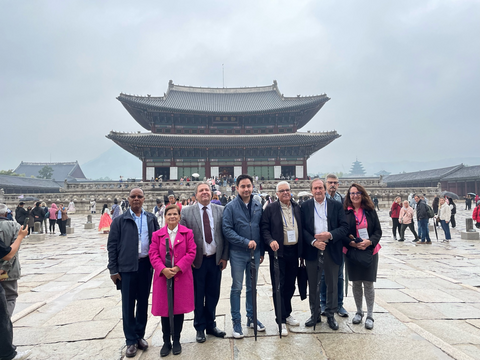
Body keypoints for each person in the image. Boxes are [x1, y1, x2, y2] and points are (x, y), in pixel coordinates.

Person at [107, 188, 160, 358]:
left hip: (146, 265)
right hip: (127, 267)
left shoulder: (151, 218)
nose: (136, 199)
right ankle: (130, 340)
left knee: (143, 302)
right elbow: (112, 246)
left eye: (139, 196)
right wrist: (113, 269)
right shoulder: (120, 221)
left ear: (144, 199)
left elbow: (158, 241)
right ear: (128, 199)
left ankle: (139, 335)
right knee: (128, 304)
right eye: (133, 197)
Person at [180, 182, 228, 343]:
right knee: (198, 296)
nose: (205, 193)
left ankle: (211, 325)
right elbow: (183, 238)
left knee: (213, 294)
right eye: (201, 190)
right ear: (196, 194)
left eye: (207, 190)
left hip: (215, 260)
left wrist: (224, 256)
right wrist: (188, 259)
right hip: (197, 262)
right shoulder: (186, 212)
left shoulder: (221, 210)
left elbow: (225, 235)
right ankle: (199, 327)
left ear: (211, 193)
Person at [301, 179, 349, 330]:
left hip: (331, 247)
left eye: (320, 188)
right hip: (313, 248)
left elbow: (344, 227)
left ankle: (330, 314)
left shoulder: (335, 205)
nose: (318, 191)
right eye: (315, 188)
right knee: (314, 283)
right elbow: (302, 229)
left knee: (332, 283)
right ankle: (315, 314)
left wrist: (330, 235)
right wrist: (314, 242)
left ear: (325, 189)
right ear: (311, 190)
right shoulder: (305, 206)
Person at [222, 174, 265, 338]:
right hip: (238, 253)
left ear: (252, 187)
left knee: (252, 287)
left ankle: (252, 317)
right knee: (237, 287)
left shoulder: (257, 204)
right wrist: (245, 241)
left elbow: (261, 228)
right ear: (237, 188)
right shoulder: (231, 207)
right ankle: (236, 321)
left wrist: (261, 249)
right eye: (243, 186)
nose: (246, 189)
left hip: (255, 252)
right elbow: (227, 230)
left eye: (248, 186)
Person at [150, 204, 196, 356]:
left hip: (181, 277)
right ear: (165, 216)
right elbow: (153, 254)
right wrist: (162, 269)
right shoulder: (157, 235)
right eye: (169, 214)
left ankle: (176, 340)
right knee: (165, 310)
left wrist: (178, 268)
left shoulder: (187, 233)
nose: (172, 217)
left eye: (175, 214)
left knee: (178, 310)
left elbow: (191, 252)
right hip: (163, 277)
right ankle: (166, 341)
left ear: (179, 217)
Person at [261, 181, 302, 336]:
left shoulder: (297, 207)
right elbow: (264, 228)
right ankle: (281, 320)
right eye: (282, 191)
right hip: (278, 252)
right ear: (276, 194)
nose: (285, 193)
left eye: (287, 190)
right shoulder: (270, 208)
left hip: (294, 251)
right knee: (279, 285)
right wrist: (270, 241)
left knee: (291, 285)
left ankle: (287, 312)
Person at [343, 183, 382, 330]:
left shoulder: (370, 210)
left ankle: (370, 315)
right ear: (349, 195)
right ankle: (359, 311)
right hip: (352, 250)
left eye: (358, 193)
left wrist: (369, 241)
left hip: (369, 250)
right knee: (356, 283)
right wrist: (351, 243)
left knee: (368, 283)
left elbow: (378, 231)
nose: (355, 195)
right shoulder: (345, 211)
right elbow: (342, 231)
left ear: (362, 194)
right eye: (352, 193)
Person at [1, 225, 31, 360]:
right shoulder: (13, 225)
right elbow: (8, 254)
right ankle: (8, 354)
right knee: (2, 318)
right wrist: (20, 236)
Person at [324, 174, 348, 317]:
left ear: (338, 184)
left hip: (339, 242)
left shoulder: (344, 201)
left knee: (339, 276)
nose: (332, 185)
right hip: (323, 243)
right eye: (330, 182)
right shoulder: (320, 199)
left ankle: (339, 305)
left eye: (335, 183)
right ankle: (323, 304)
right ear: (326, 184)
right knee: (322, 276)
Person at [0, 204, 23, 317]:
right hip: (9, 270)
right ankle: (4, 323)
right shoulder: (15, 226)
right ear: (6, 213)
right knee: (10, 297)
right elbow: (12, 253)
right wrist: (4, 269)